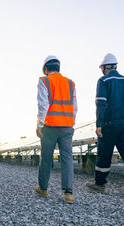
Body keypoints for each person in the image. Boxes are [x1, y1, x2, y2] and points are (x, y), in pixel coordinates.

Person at [85, 53, 124, 198]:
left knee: (104, 154)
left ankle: (99, 184)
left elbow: (101, 103)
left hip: (109, 124)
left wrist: (99, 124)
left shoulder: (103, 80)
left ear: (104, 67)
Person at [35, 55, 77, 204]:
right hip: (67, 126)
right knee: (67, 158)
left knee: (46, 157)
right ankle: (68, 193)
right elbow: (75, 108)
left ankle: (44, 188)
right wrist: (71, 123)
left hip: (50, 126)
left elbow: (43, 104)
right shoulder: (70, 83)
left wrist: (39, 125)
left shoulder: (44, 80)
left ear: (46, 69)